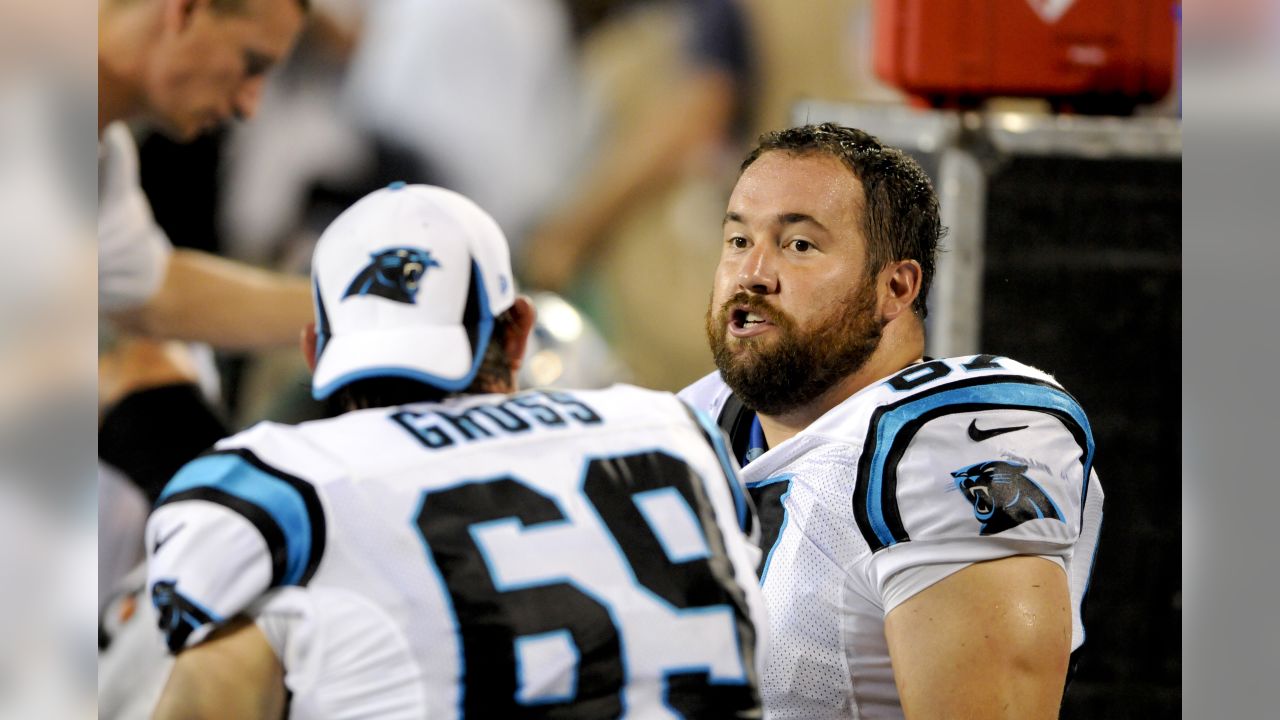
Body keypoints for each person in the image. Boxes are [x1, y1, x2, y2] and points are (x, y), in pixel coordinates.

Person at [142, 183, 768, 718]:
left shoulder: (285, 483)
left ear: (313, 352)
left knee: (254, 626)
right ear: (520, 332)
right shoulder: (674, 428)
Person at [679, 123, 1104, 719]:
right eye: (738, 239)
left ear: (895, 287)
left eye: (799, 245)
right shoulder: (680, 429)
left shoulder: (937, 445)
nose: (753, 273)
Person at [98, 0, 312, 346]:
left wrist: (364, 303)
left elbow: (162, 294)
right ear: (185, 11)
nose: (249, 105)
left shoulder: (106, 161)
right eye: (252, 64)